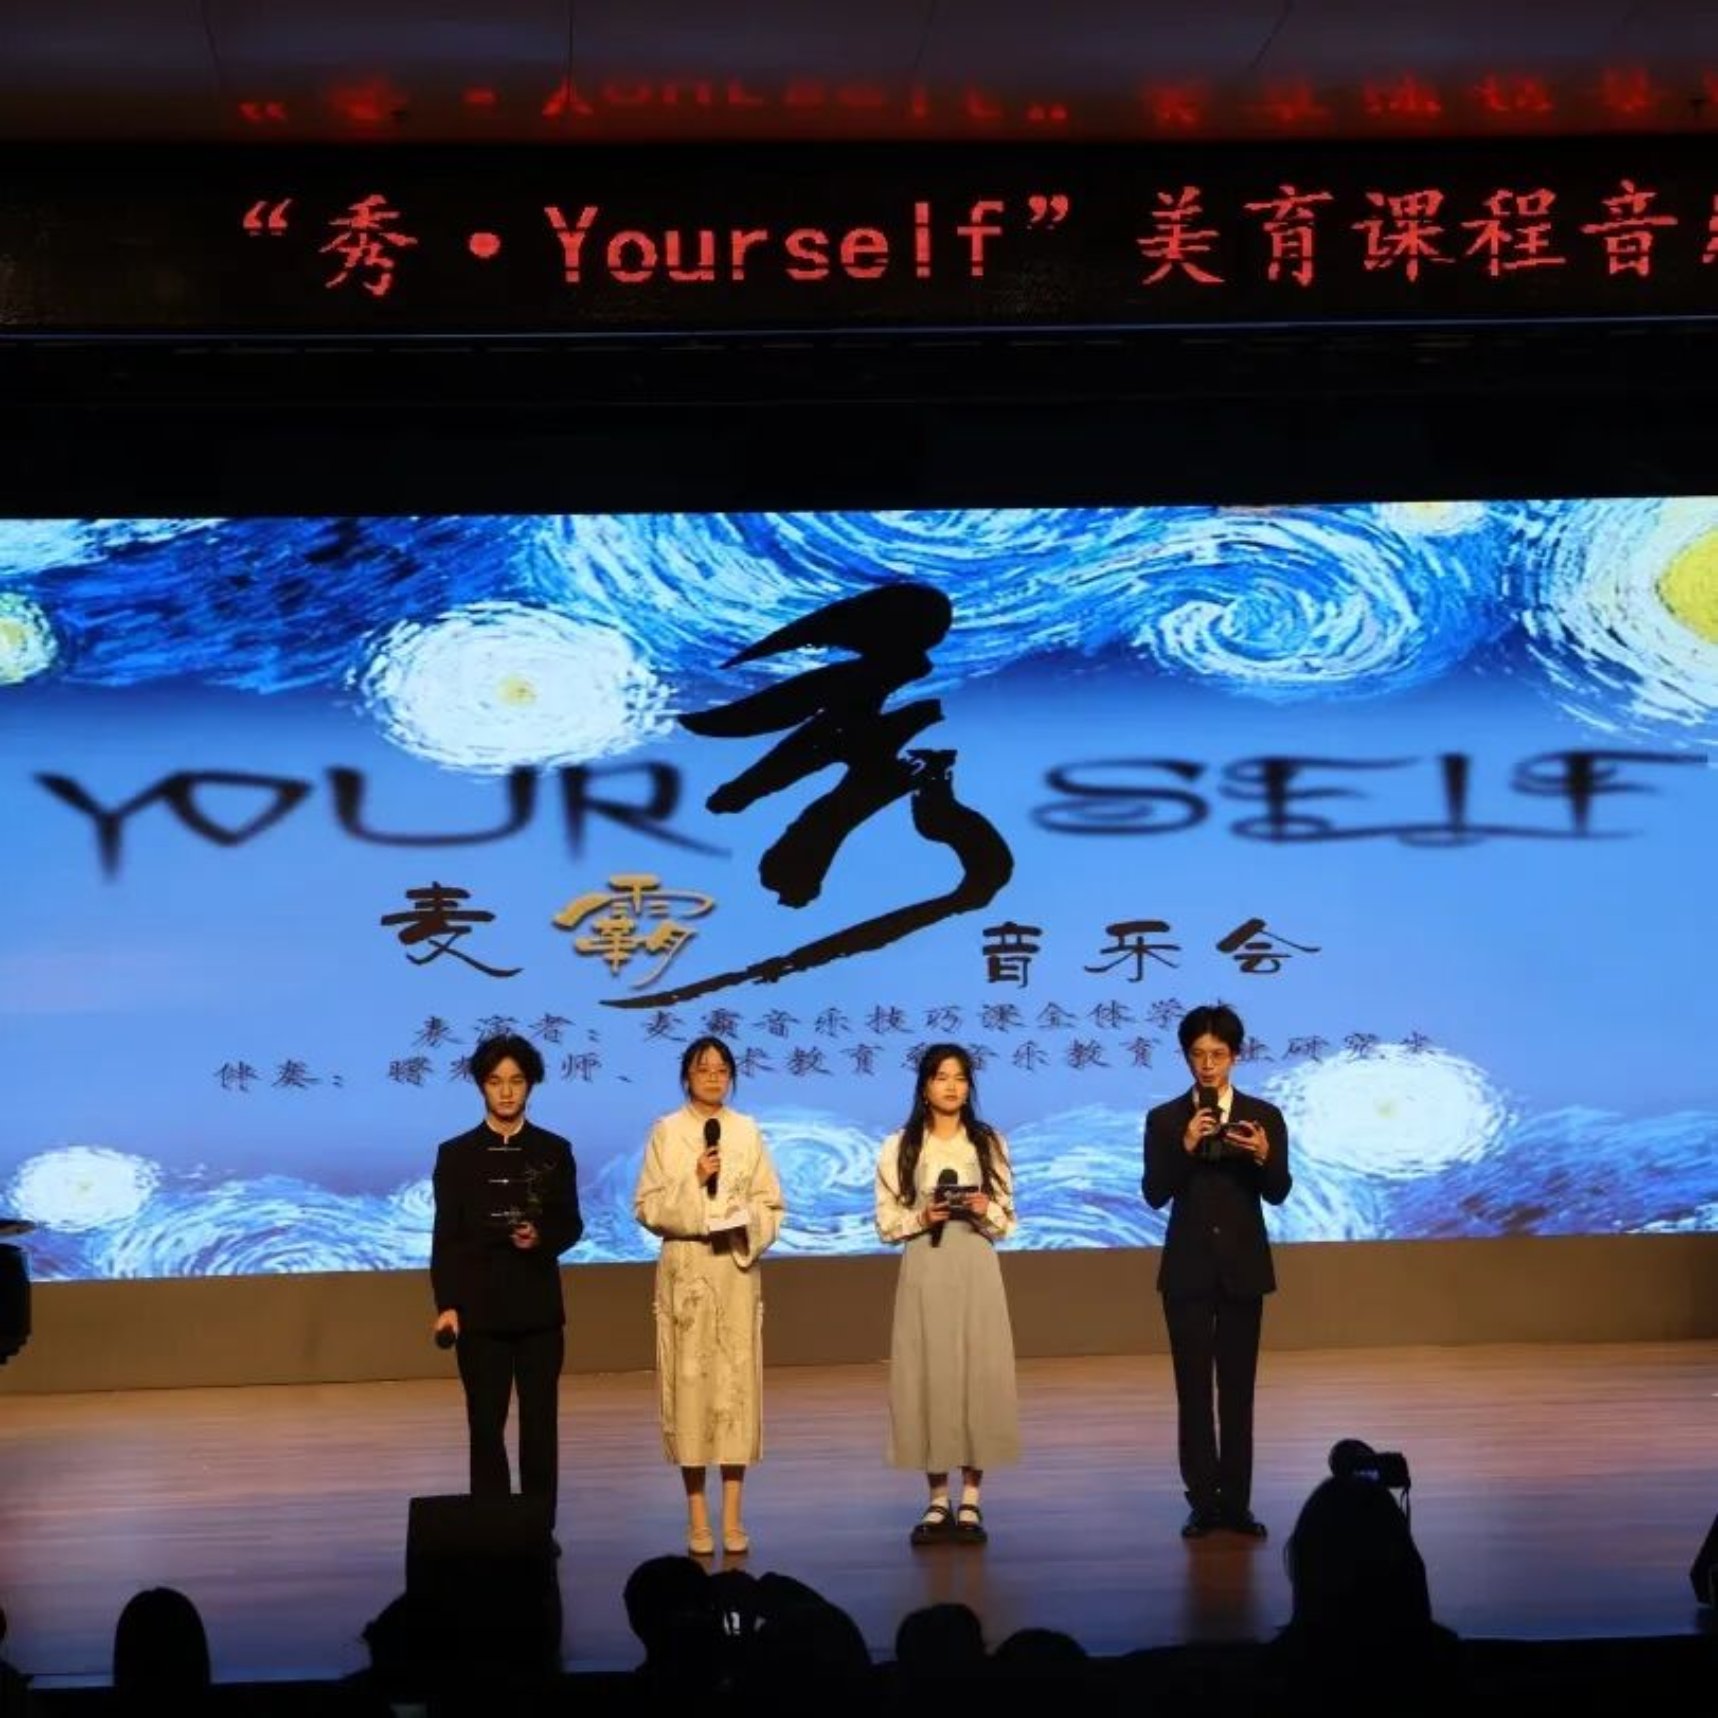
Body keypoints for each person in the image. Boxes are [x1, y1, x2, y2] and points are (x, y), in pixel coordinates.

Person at [1143, 1003, 1291, 1539]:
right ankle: (1203, 1502)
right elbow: (1154, 1192)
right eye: (1198, 1055)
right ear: (1186, 1057)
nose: (1207, 1065)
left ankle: (1237, 1504)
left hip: (1242, 1270)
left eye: (1218, 1055)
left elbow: (1278, 1192)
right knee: (1193, 1391)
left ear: (1236, 1056)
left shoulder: (1262, 1115)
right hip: (1186, 1271)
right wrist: (1185, 1146)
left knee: (1237, 1390)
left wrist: (1264, 1155)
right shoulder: (1165, 1119)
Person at [634, 1036, 785, 1556]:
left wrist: (747, 1220)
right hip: (687, 1272)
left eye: (722, 1070)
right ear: (687, 1077)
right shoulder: (667, 1131)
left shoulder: (747, 1131)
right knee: (691, 1391)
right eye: (704, 1069)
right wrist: (694, 1182)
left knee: (735, 1391)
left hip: (734, 1271)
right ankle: (697, 1515)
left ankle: (734, 1515)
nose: (714, 1077)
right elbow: (647, 1206)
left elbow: (772, 1203)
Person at [431, 1033, 584, 1521]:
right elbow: (446, 1239)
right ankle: (491, 1526)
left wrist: (540, 1237)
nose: (506, 1091)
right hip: (479, 1312)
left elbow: (571, 1224)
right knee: (485, 1426)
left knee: (539, 1426)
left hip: (538, 1311)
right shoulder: (455, 1155)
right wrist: (447, 1305)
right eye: (496, 1081)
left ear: (530, 1085)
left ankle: (538, 1528)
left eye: (516, 1081)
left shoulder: (554, 1150)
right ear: (481, 1085)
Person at [875, 1043, 1019, 1546]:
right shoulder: (901, 1145)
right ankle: (937, 1497)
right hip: (926, 1264)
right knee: (930, 1374)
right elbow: (885, 1223)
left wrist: (982, 1208)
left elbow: (1007, 1222)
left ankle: (972, 1498)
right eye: (941, 1077)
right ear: (924, 1087)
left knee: (978, 1373)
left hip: (975, 1264)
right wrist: (922, 1216)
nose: (951, 1086)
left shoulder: (988, 1143)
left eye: (959, 1078)